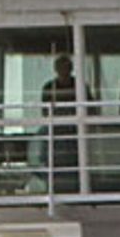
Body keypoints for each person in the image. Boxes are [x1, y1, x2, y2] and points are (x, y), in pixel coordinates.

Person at [40, 50, 82, 191]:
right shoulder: (49, 88)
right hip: (56, 135)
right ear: (56, 69)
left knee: (76, 165)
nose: (64, 70)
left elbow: (89, 109)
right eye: (61, 67)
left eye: (67, 66)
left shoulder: (80, 87)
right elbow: (46, 112)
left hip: (76, 134)